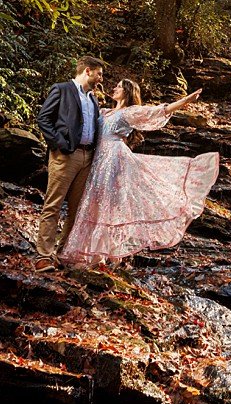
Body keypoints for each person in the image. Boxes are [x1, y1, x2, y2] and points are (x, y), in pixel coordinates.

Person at [59, 79, 218, 265]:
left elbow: (159, 111)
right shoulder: (104, 112)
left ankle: (101, 255)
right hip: (98, 158)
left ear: (127, 91)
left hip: (113, 158)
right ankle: (91, 252)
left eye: (119, 86)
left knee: (107, 204)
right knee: (93, 203)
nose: (115, 88)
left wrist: (185, 101)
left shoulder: (130, 112)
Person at [34, 56, 107, 265]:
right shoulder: (62, 89)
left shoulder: (93, 99)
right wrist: (59, 143)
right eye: (99, 73)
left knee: (77, 209)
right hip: (66, 155)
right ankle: (43, 256)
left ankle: (62, 253)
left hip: (88, 158)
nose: (101, 78)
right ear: (87, 71)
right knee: (53, 205)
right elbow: (43, 118)